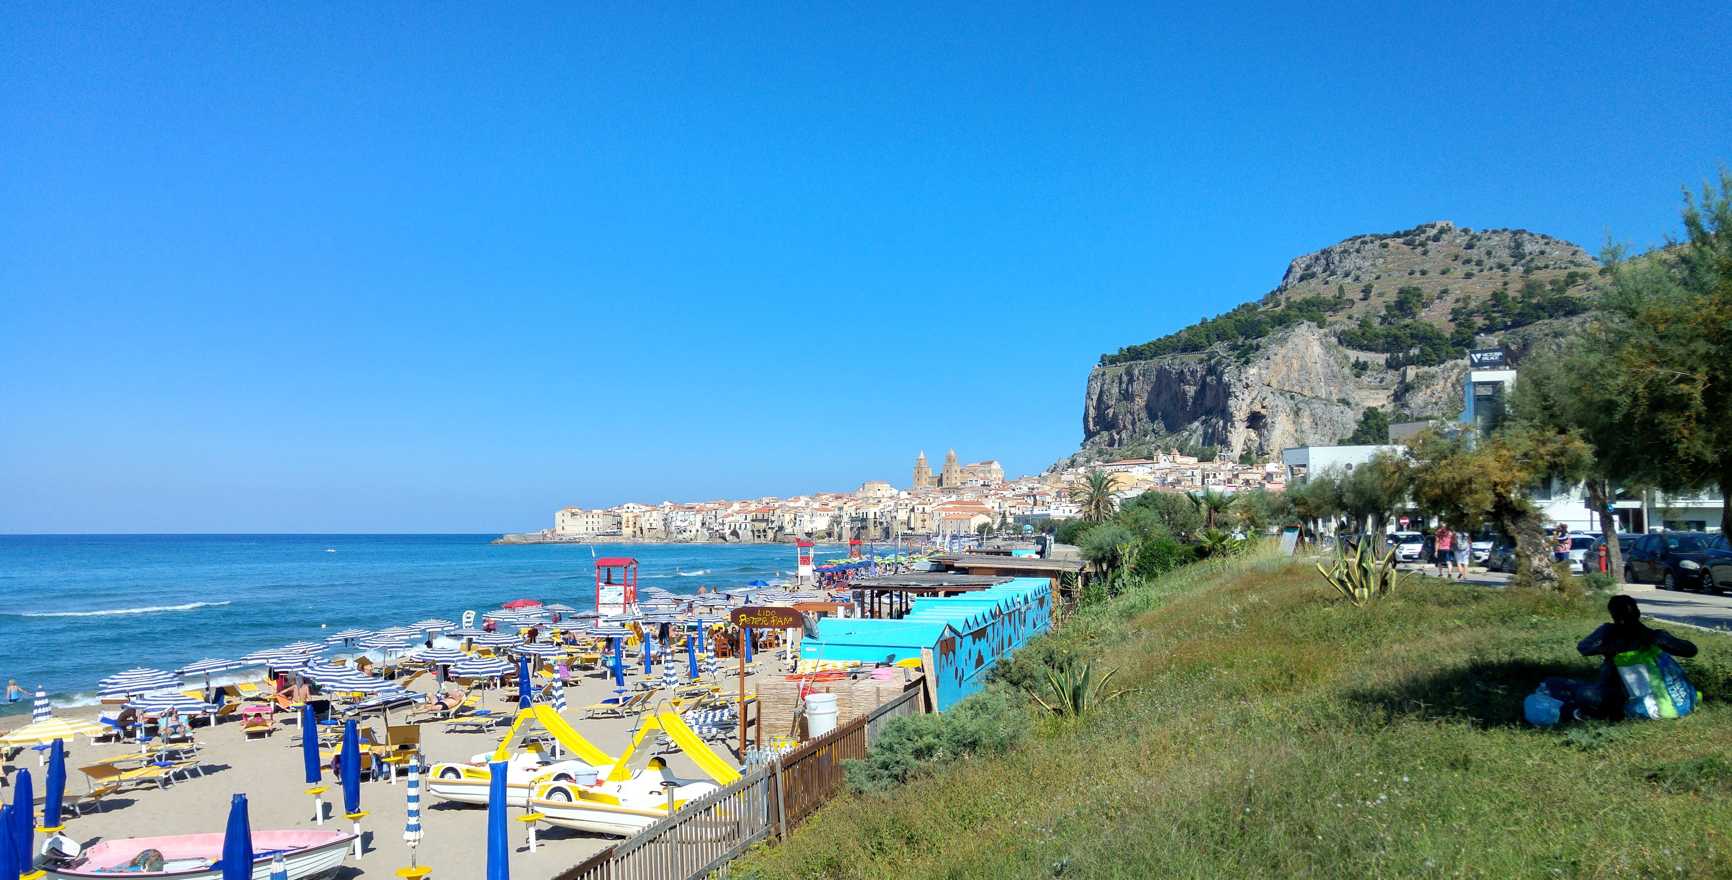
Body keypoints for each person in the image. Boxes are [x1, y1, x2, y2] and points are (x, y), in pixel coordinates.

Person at [1572, 595, 1698, 719]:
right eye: (1620, 616)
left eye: (1627, 615)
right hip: (1618, 691)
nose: (1624, 620)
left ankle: (1609, 712)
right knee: (1586, 693)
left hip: (1647, 694)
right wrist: (1606, 649)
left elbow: (1691, 650)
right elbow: (1583, 647)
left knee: (1585, 694)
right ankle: (1613, 710)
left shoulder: (1653, 635)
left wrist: (1662, 642)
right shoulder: (1608, 631)